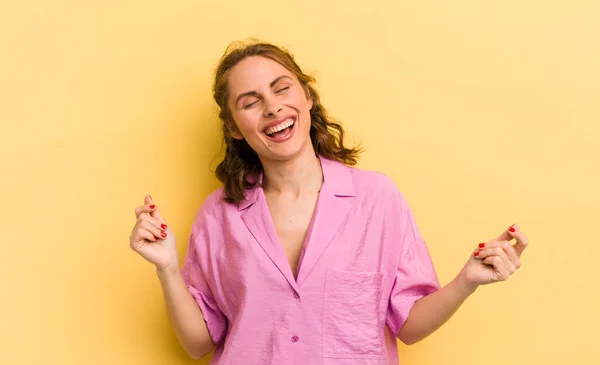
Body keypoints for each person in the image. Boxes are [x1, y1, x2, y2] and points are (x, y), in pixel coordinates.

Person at [129, 40, 529, 364]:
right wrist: (166, 267)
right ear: (234, 127)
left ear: (306, 96)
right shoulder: (218, 215)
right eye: (249, 101)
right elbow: (199, 343)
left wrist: (467, 281)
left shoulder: (377, 199)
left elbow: (408, 325)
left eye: (281, 87)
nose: (272, 107)